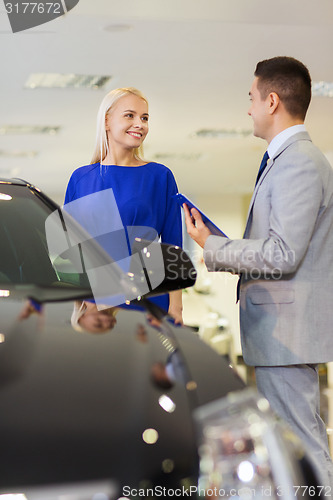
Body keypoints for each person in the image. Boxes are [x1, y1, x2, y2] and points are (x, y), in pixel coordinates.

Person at [184, 56, 333, 487]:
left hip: (287, 334)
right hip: (278, 335)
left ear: (272, 101)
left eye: (251, 98)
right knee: (292, 444)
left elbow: (283, 254)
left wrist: (212, 246)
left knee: (304, 446)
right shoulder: (283, 160)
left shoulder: (298, 162)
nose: (247, 108)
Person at [65, 87, 183, 324]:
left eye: (145, 118)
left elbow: (173, 248)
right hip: (94, 305)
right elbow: (70, 250)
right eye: (130, 115)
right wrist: (81, 301)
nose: (140, 124)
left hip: (147, 300)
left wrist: (176, 308)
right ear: (107, 121)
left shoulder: (159, 176)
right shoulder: (81, 178)